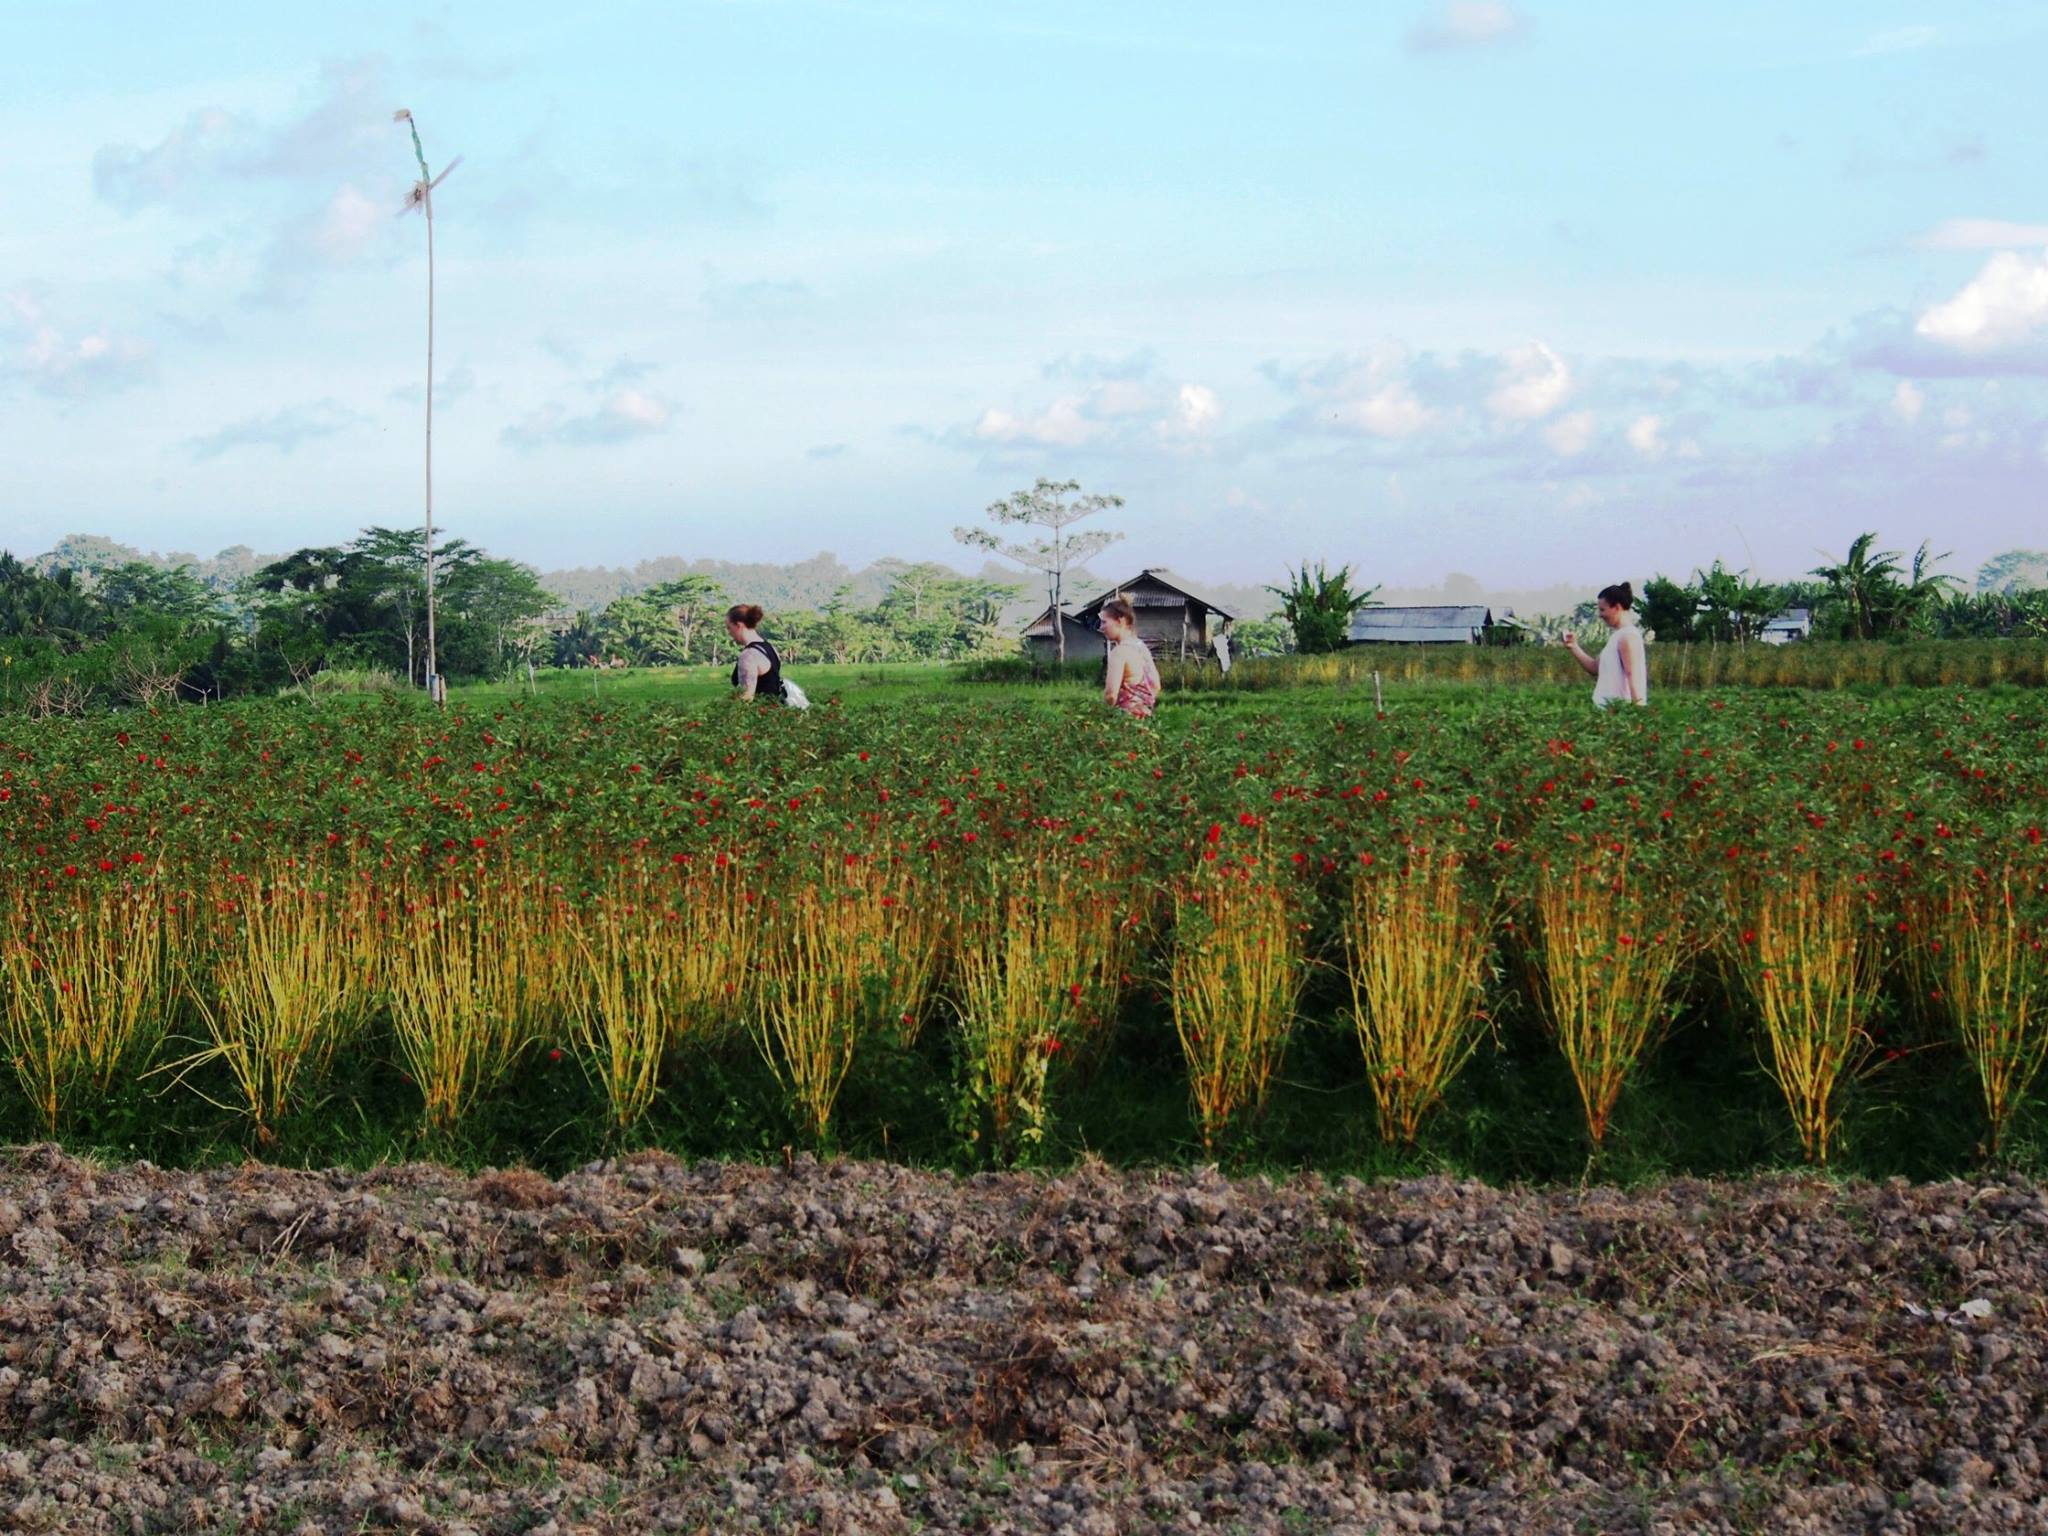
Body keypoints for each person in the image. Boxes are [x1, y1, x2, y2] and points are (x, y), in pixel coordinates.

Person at [1560, 582, 1648, 708]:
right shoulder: (1617, 636)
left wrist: (1638, 711)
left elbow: (1632, 675)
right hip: (1607, 711)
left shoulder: (1628, 637)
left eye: (1603, 609)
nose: (1600, 615)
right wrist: (1574, 646)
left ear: (1617, 607)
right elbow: (1595, 668)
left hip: (1620, 712)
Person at [1100, 597, 1161, 718]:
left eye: (1104, 622)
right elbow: (1156, 686)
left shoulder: (1119, 652)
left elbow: (1111, 695)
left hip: (1125, 721)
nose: (1101, 627)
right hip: (1147, 717)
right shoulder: (1141, 647)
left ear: (1119, 621)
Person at [726, 603, 787, 703]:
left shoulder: (749, 655)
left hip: (759, 714)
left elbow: (746, 697)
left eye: (729, 627)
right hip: (774, 711)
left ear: (738, 625)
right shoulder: (770, 648)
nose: (729, 633)